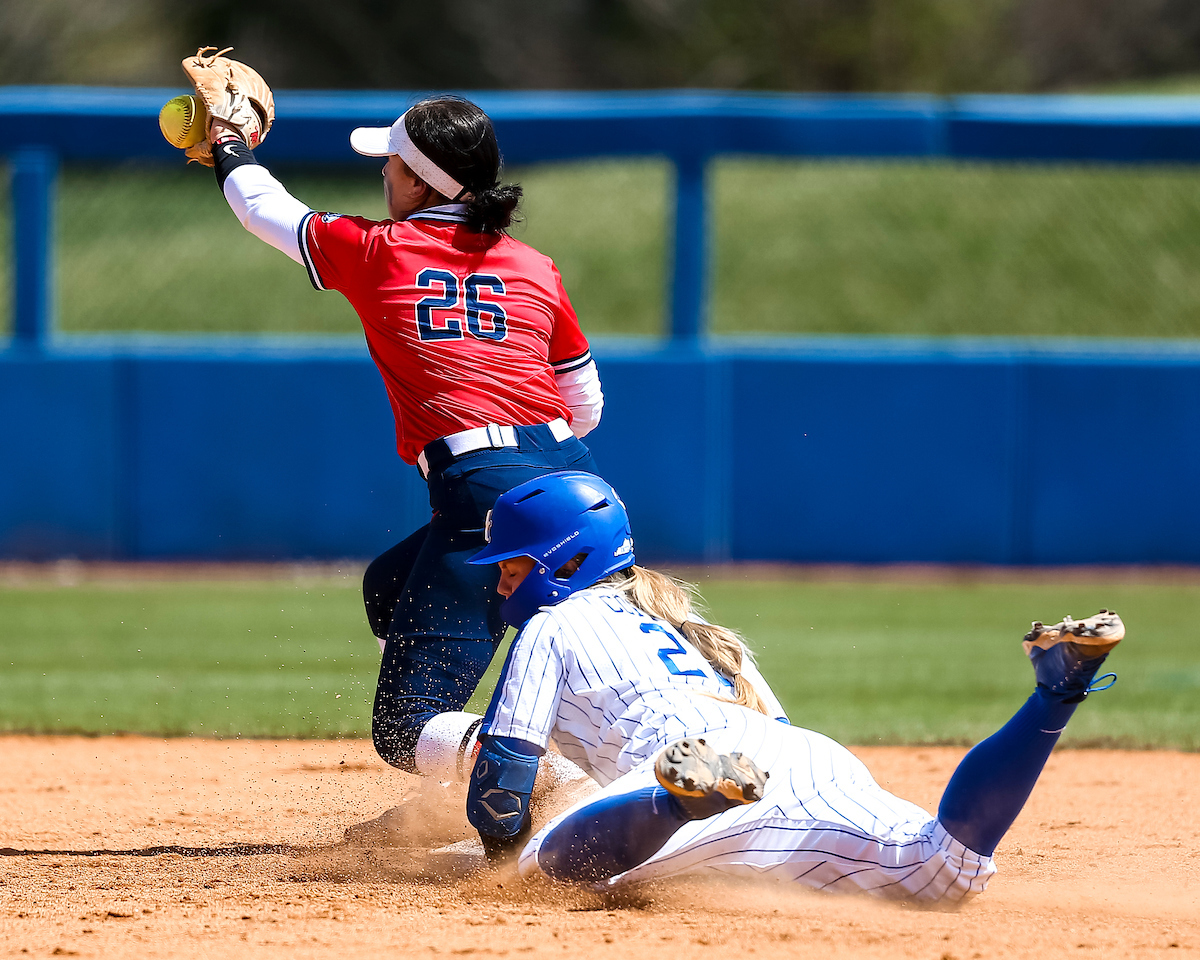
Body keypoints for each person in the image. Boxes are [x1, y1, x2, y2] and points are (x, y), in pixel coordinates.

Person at [198, 92, 603, 799]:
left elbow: (264, 210)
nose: (384, 175)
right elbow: (586, 405)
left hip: (481, 484)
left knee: (401, 727)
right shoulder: (535, 265)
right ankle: (472, 786)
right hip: (580, 483)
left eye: (390, 163)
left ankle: (555, 784)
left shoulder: (381, 249)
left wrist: (229, 144)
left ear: (418, 182)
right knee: (389, 588)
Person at [461, 471, 1125, 900]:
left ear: (564, 562)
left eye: (512, 568)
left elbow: (502, 783)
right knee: (944, 870)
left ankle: (677, 803)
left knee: (546, 867)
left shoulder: (552, 625)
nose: (500, 585)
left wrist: (498, 856)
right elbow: (768, 734)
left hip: (686, 764)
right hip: (802, 759)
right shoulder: (689, 622)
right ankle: (1055, 695)